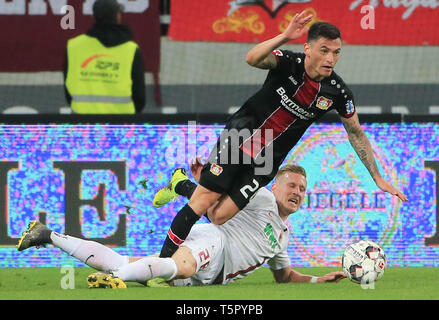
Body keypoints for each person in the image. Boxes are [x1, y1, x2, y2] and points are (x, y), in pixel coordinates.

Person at [154, 11, 408, 260]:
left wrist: (377, 177)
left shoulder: (337, 92)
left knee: (219, 215)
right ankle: (163, 264)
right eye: (324, 50)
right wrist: (285, 35)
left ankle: (181, 184)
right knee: (204, 200)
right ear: (308, 48)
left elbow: (356, 133)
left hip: (267, 161)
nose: (331, 58)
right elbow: (252, 58)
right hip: (241, 137)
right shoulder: (289, 62)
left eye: (336, 52)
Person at [16, 163, 345, 288]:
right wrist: (201, 181)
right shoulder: (260, 198)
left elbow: (284, 276)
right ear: (276, 187)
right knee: (182, 266)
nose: (297, 193)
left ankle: (48, 235)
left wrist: (319, 279)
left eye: (302, 189)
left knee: (135, 265)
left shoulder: (284, 237)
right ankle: (113, 280)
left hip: (211, 279)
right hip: (213, 242)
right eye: (291, 186)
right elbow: (215, 203)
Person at [64, 0, 145, 114]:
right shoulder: (131, 50)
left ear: (94, 16)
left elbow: (68, 92)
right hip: (121, 124)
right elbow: (140, 97)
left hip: (83, 124)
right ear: (117, 16)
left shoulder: (74, 46)